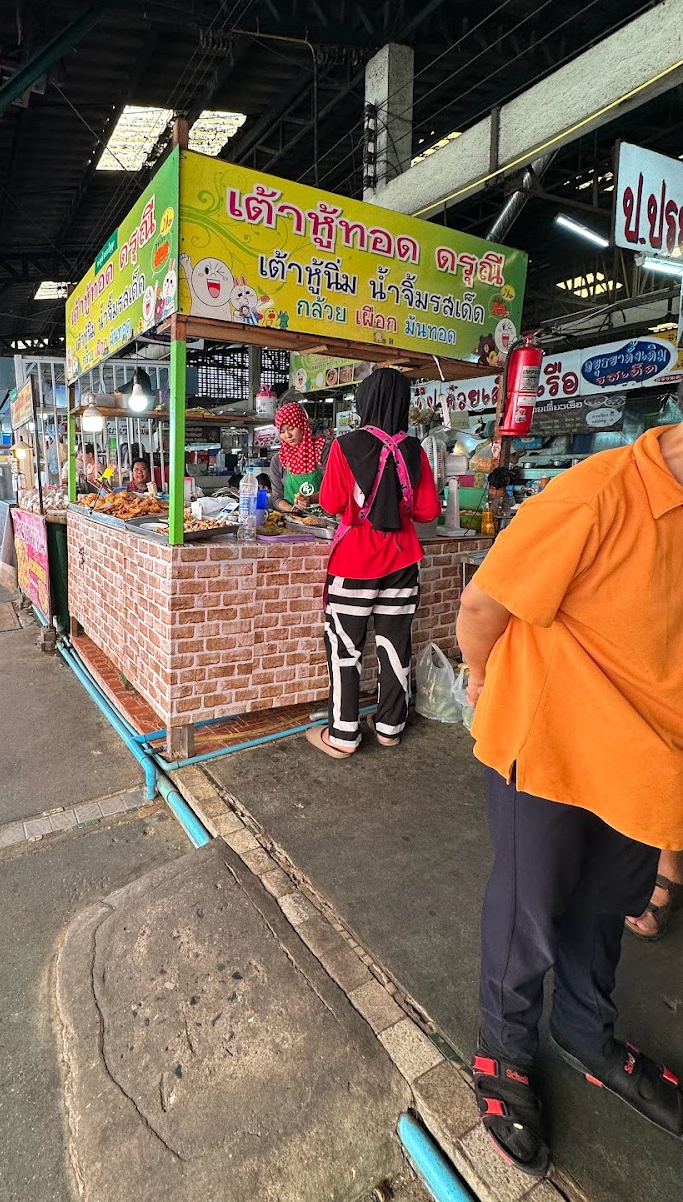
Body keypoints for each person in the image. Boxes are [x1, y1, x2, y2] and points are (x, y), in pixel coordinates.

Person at [456, 410, 683, 1176]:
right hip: (547, 741)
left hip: (645, 762)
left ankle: (586, 1031)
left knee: (605, 907)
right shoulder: (598, 493)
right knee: (530, 911)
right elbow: (483, 607)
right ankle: (503, 1048)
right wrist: (484, 683)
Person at [306, 368, 440, 759]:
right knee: (395, 643)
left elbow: (331, 503)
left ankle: (344, 734)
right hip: (403, 561)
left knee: (345, 648)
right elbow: (429, 511)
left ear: (365, 402)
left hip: (355, 563)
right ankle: (389, 727)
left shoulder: (345, 445)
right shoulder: (414, 449)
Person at [270, 401, 325, 511]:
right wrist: (293, 510)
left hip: (326, 520)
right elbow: (276, 498)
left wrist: (310, 499)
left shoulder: (322, 450)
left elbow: (334, 489)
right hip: (294, 521)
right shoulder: (278, 460)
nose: (288, 435)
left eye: (291, 428)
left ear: (302, 425)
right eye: (282, 431)